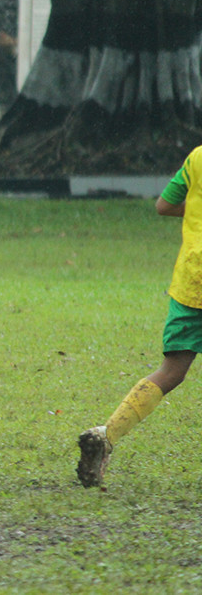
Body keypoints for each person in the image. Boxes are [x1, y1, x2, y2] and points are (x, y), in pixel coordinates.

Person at [77, 145, 202, 488]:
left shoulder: (197, 158)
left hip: (192, 281)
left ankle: (107, 435)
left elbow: (164, 205)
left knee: (172, 371)